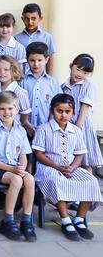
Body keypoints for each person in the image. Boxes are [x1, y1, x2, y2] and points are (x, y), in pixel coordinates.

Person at [33, 93, 103, 241]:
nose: (63, 115)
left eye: (67, 112)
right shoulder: (43, 129)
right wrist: (58, 167)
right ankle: (65, 221)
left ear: (73, 112)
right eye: (59, 111)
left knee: (91, 181)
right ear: (52, 111)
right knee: (57, 181)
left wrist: (72, 167)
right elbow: (39, 154)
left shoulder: (76, 131)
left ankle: (79, 219)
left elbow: (79, 154)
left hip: (71, 167)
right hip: (48, 166)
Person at [0, 91, 36, 242]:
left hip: (14, 168)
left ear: (17, 110)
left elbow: (23, 155)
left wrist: (22, 168)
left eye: (10, 109)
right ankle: (8, 221)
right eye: (3, 109)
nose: (7, 112)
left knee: (30, 180)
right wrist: (13, 170)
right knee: (17, 181)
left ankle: (26, 221)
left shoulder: (20, 131)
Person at [61, 54, 103, 170]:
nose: (80, 74)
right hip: (67, 127)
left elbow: (85, 108)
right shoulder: (64, 86)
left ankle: (90, 186)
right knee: (71, 162)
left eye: (85, 73)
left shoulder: (88, 85)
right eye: (78, 69)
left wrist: (78, 128)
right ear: (71, 66)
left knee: (85, 161)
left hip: (82, 127)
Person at [20, 42, 61, 131]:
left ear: (46, 59)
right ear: (27, 60)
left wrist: (50, 124)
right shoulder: (21, 81)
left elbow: (57, 105)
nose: (36, 64)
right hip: (24, 128)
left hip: (47, 128)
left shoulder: (53, 83)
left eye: (40, 60)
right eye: (32, 60)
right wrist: (26, 124)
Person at [14, 3, 56, 75]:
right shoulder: (17, 38)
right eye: (27, 19)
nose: (30, 22)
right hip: (22, 77)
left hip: (40, 77)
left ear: (40, 18)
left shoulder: (47, 37)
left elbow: (50, 60)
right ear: (22, 19)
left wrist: (49, 77)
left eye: (33, 19)